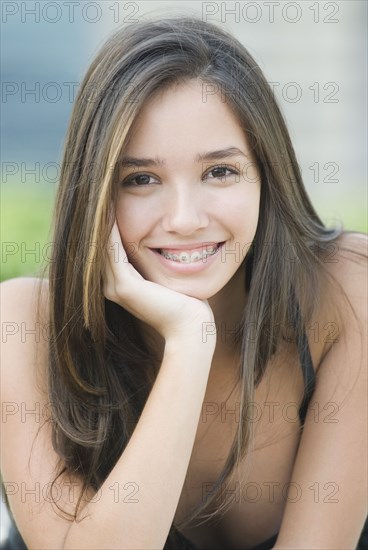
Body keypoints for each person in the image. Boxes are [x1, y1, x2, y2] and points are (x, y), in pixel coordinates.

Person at [1, 15, 367, 550]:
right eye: (141, 179)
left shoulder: (347, 290)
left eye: (219, 172)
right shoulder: (24, 323)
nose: (184, 219)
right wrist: (189, 341)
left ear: (268, 175)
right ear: (95, 193)